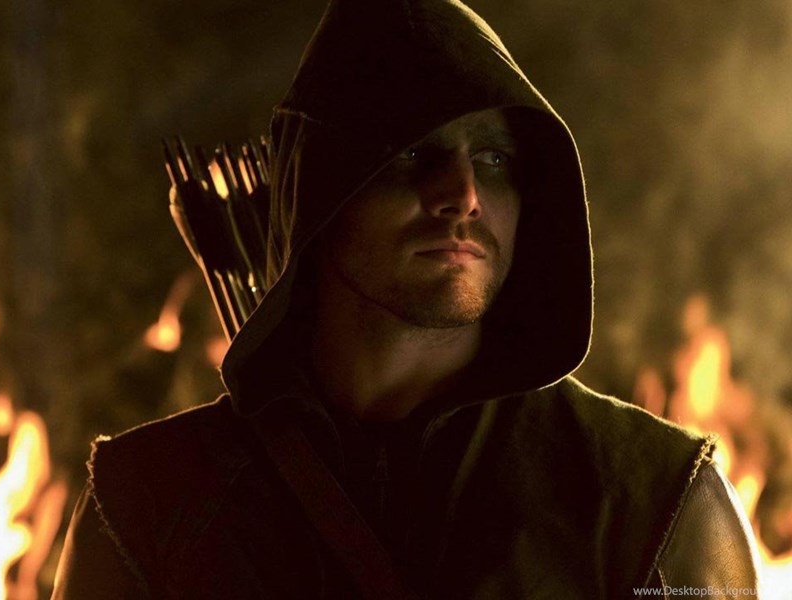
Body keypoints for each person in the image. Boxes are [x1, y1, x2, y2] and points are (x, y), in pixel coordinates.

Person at [52, 0, 762, 598]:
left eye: (494, 159)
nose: (464, 195)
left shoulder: (653, 502)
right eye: (412, 153)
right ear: (318, 191)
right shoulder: (149, 505)